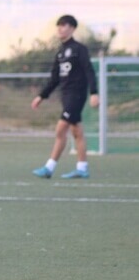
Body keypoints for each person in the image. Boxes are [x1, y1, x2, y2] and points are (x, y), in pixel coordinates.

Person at [31, 14, 99, 179]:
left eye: (65, 25)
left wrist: (94, 93)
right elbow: (54, 79)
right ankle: (82, 168)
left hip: (76, 95)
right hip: (66, 96)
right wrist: (41, 96)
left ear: (72, 28)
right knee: (77, 132)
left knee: (61, 129)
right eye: (59, 25)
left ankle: (49, 167)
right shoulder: (60, 52)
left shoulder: (79, 49)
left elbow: (89, 70)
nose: (61, 28)